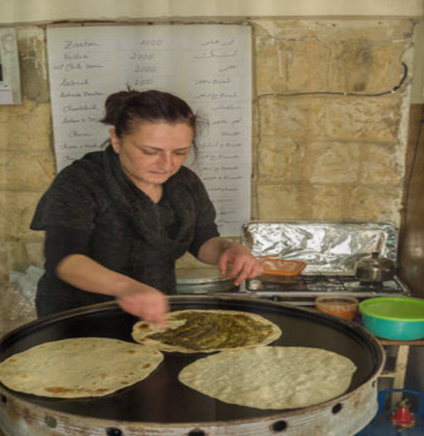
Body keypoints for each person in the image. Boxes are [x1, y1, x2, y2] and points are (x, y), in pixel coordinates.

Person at [30, 89, 262, 325]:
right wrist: (128, 288)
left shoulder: (185, 183)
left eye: (180, 152)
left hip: (152, 313)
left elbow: (203, 241)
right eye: (150, 152)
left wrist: (227, 249)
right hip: (78, 318)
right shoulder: (81, 181)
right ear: (116, 140)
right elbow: (66, 261)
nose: (167, 164)